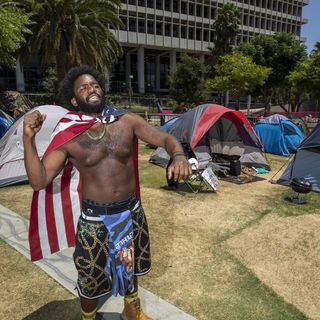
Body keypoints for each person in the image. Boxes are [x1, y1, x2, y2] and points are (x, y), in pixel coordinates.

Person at [23, 65, 192, 320]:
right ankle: (88, 317)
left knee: (129, 264)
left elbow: (165, 139)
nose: (91, 89)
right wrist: (28, 139)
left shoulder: (127, 121)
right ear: (74, 99)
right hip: (95, 219)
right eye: (83, 87)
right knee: (91, 276)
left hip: (130, 212)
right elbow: (40, 180)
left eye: (94, 84)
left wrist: (178, 155)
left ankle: (131, 311)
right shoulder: (69, 135)